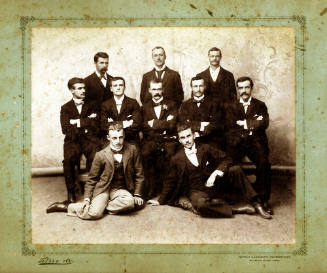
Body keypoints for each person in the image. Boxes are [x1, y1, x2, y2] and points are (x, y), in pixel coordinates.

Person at [148, 123, 272, 219]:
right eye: (183, 138)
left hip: (215, 185)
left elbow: (227, 158)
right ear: (179, 140)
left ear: (194, 135)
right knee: (201, 206)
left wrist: (215, 173)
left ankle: (257, 203)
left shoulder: (205, 148)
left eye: (188, 136)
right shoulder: (176, 159)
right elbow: (170, 181)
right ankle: (236, 209)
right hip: (197, 191)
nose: (187, 140)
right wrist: (160, 200)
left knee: (236, 169)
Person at [48, 122, 145, 219]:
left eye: (121, 137)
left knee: (130, 202)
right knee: (94, 214)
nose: (118, 141)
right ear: (108, 138)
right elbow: (92, 179)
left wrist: (137, 194)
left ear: (124, 136)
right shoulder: (101, 155)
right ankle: (66, 207)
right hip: (104, 188)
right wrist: (86, 199)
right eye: (114, 138)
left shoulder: (133, 150)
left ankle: (100, 207)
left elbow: (139, 174)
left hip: (121, 189)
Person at [47, 77, 100, 212]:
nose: (83, 91)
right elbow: (65, 129)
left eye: (84, 88)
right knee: (68, 160)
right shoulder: (65, 108)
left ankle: (92, 191)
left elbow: (97, 125)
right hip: (73, 140)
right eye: (79, 88)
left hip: (89, 139)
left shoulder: (92, 104)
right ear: (71, 90)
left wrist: (76, 122)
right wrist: (87, 121)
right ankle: (71, 193)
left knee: (95, 157)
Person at [224, 76, 273, 214]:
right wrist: (252, 124)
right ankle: (233, 197)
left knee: (264, 163)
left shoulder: (260, 105)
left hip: (255, 143)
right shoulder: (230, 106)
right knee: (227, 162)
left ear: (251, 88)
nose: (244, 91)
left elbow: (264, 123)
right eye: (241, 88)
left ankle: (263, 200)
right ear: (237, 89)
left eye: (246, 87)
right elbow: (229, 126)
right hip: (237, 143)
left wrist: (244, 124)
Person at [141, 79, 179, 199]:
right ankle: (151, 189)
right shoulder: (144, 107)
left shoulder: (172, 105)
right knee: (145, 155)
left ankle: (167, 191)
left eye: (159, 89)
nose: (157, 92)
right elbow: (143, 126)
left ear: (163, 90)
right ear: (149, 90)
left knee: (171, 156)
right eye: (154, 89)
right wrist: (163, 124)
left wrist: (154, 123)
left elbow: (172, 125)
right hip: (151, 140)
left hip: (168, 140)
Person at [178, 76, 224, 149]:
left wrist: (194, 124)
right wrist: (202, 125)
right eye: (195, 86)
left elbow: (217, 124)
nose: (198, 89)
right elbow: (183, 124)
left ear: (205, 87)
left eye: (200, 86)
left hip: (210, 140)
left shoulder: (214, 103)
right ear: (191, 88)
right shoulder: (185, 105)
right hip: (191, 141)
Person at [101, 77, 142, 145]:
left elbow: (137, 124)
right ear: (111, 89)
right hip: (111, 140)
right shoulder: (105, 105)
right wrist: (125, 123)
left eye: (121, 85)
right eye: (115, 85)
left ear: (124, 88)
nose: (118, 88)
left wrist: (112, 123)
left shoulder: (133, 103)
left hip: (130, 139)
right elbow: (103, 125)